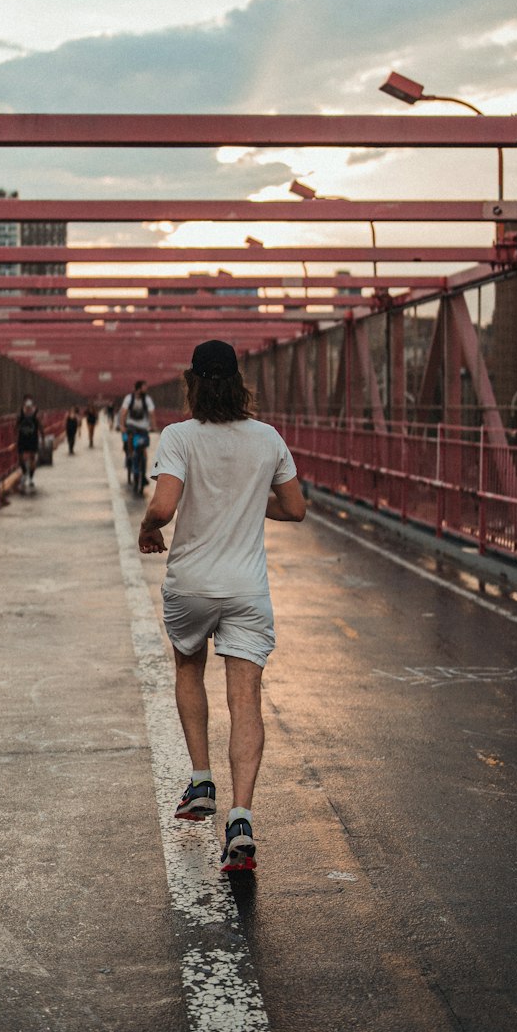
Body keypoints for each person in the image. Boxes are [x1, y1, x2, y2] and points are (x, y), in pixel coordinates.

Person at [138, 340, 305, 873]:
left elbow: (164, 506)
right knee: (246, 699)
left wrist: (147, 527)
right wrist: (252, 502)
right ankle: (240, 820)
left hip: (192, 584)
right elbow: (296, 508)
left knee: (189, 666)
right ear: (239, 383)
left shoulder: (180, 436)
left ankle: (201, 780)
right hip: (246, 589)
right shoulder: (268, 438)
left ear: (192, 383)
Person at [119, 380, 156, 481]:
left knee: (143, 448)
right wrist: (122, 425)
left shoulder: (147, 399)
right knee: (130, 438)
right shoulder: (129, 398)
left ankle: (143, 474)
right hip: (131, 425)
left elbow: (151, 413)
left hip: (143, 427)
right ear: (139, 388)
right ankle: (130, 456)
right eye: (144, 387)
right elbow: (123, 412)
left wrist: (153, 426)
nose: (146, 389)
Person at [16, 396, 44, 492]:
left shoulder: (35, 416)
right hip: (22, 439)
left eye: (29, 407)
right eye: (26, 407)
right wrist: (14, 438)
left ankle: (31, 478)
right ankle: (24, 473)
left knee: (32, 459)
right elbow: (16, 427)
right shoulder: (21, 416)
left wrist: (43, 438)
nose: (28, 409)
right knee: (20, 458)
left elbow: (40, 427)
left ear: (32, 407)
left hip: (32, 440)